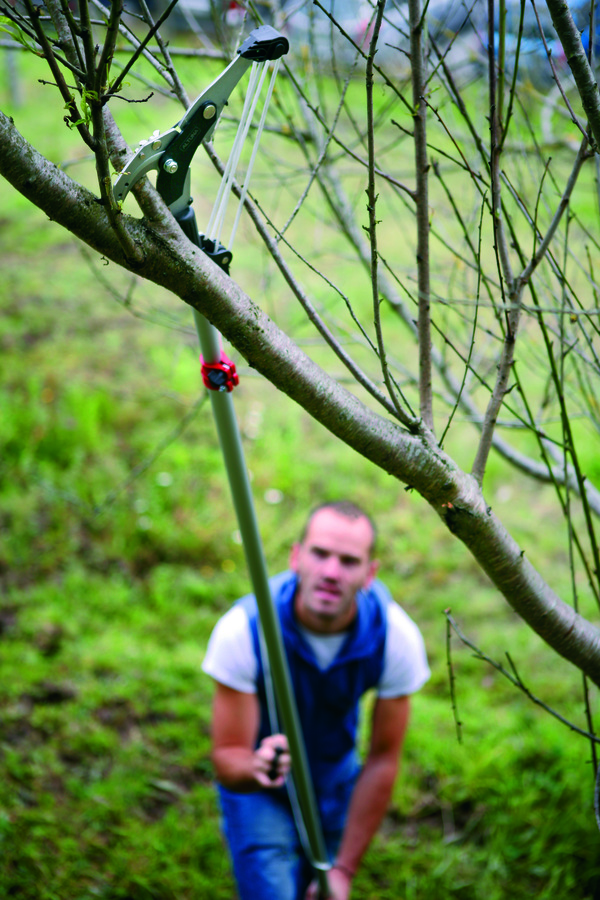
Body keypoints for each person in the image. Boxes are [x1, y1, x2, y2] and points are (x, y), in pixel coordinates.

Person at [202, 500, 430, 900]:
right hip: (261, 790)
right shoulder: (244, 629)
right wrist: (256, 764)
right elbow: (226, 757)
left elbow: (383, 759)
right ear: (296, 557)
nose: (331, 572)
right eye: (320, 554)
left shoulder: (395, 637)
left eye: (348, 561)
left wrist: (343, 870)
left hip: (335, 779)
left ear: (369, 574)